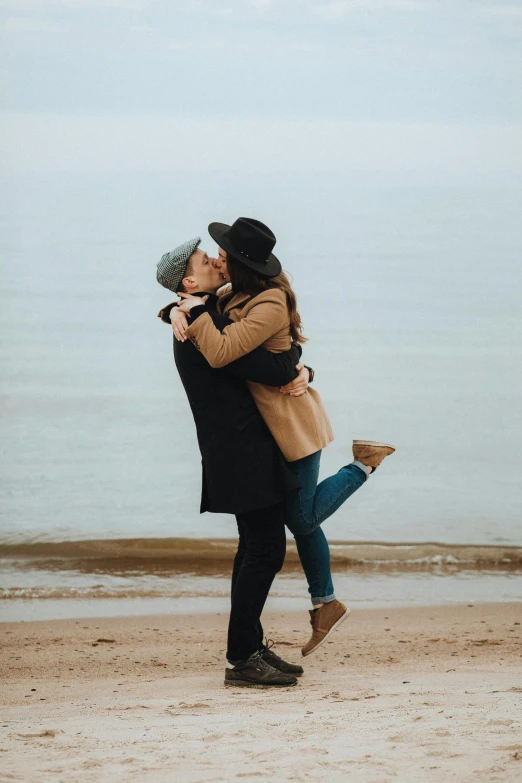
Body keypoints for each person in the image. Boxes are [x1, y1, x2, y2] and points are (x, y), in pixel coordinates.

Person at [169, 218, 395, 656]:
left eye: (222, 253)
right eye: (211, 254)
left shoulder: (267, 300)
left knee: (302, 520)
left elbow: (225, 351)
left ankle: (363, 465)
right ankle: (324, 603)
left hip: (293, 422)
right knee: (294, 521)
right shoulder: (233, 293)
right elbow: (208, 309)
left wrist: (302, 368)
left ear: (239, 263)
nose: (217, 257)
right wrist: (176, 308)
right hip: (271, 429)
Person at [157, 237, 309, 688]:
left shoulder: (202, 316)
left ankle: (249, 645)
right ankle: (241, 656)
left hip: (237, 446)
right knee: (265, 551)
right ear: (189, 280)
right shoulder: (201, 328)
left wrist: (174, 309)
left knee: (254, 550)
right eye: (205, 260)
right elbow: (274, 369)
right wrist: (298, 364)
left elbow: (261, 356)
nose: (214, 260)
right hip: (239, 449)